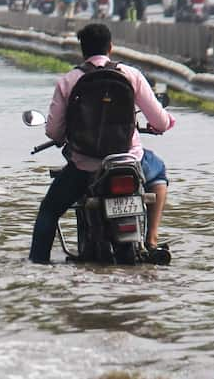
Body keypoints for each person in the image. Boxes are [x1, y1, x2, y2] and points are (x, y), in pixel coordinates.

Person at [28, 23, 175, 264]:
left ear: (82, 50)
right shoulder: (130, 75)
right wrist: (163, 124)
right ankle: (151, 240)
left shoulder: (68, 81)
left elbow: (54, 131)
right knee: (158, 173)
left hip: (85, 167)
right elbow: (159, 119)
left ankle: (37, 264)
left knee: (49, 211)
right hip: (129, 161)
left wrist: (61, 136)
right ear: (110, 47)